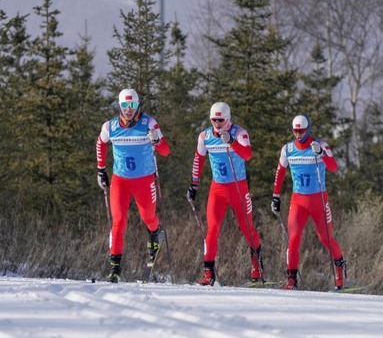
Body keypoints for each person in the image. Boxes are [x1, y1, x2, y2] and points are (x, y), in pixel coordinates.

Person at [96, 88, 170, 283]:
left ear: (138, 106)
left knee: (148, 217)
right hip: (120, 181)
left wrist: (156, 139)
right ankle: (115, 268)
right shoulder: (110, 126)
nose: (129, 110)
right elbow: (100, 143)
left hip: (144, 180)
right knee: (119, 222)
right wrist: (101, 169)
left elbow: (165, 151)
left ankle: (155, 233)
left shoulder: (149, 123)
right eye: (125, 106)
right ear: (119, 106)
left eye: (133, 105)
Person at [186, 101, 263, 286]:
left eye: (220, 120)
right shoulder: (205, 136)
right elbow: (198, 159)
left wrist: (232, 142)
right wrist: (194, 184)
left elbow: (247, 155)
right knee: (212, 230)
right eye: (214, 119)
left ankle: (257, 265)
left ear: (228, 119)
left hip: (238, 187)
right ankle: (208, 273)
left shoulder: (240, 133)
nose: (217, 123)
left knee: (247, 227)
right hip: (218, 188)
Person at [270, 114, 347, 290]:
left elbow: (333, 167)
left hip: (319, 199)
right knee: (294, 239)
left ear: (308, 129)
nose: (298, 134)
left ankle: (340, 276)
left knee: (325, 238)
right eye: (295, 131)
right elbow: (280, 172)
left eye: (301, 131)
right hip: (298, 201)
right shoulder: (288, 149)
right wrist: (276, 196)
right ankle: (291, 280)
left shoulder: (321, 145)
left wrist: (321, 153)